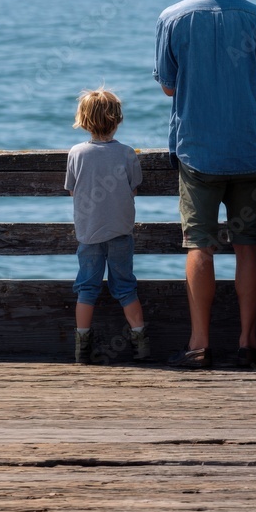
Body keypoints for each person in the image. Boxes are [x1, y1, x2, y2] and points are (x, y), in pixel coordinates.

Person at [154, 0, 256, 369]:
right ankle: (248, 342)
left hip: (197, 153)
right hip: (247, 150)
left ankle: (199, 343)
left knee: (200, 247)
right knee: (247, 245)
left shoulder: (173, 18)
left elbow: (169, 85)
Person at [65, 89, 150, 364]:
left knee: (86, 288)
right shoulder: (126, 153)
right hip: (121, 233)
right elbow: (133, 188)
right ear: (117, 120)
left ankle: (81, 349)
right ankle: (141, 345)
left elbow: (71, 190)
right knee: (125, 288)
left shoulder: (76, 153)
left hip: (88, 234)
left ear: (84, 121)